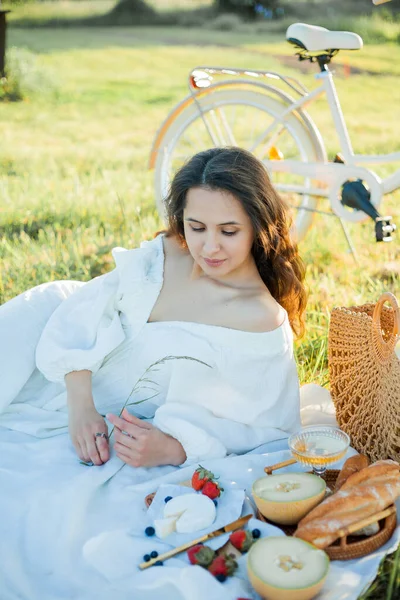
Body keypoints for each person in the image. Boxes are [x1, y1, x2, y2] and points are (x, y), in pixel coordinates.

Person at [0, 147, 308, 600]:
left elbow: (266, 428)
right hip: (54, 350)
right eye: (196, 226)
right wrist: (79, 402)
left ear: (259, 227)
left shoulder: (259, 319)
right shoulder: (166, 253)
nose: (209, 247)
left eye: (229, 231)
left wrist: (175, 446)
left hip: (112, 411)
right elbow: (87, 307)